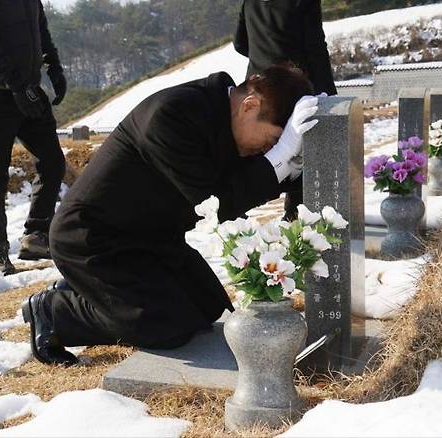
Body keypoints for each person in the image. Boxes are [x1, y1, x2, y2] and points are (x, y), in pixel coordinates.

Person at [21, 64, 318, 366]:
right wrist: (280, 158)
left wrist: (294, 164)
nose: (266, 149)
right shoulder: (172, 115)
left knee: (206, 309)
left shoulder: (222, 115)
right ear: (249, 105)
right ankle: (54, 311)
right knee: (165, 327)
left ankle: (90, 289)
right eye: (270, 141)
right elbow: (216, 204)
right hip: (93, 239)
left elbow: (244, 180)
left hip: (151, 238)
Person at [0, 0, 68, 275]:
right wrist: (16, 85)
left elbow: (41, 31)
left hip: (28, 88)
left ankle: (36, 235)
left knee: (53, 162)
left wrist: (55, 68)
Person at [234, 0, 337, 220]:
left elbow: (239, 44)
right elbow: (315, 46)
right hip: (292, 86)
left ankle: (234, 213)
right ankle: (295, 214)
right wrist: (330, 96)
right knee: (302, 152)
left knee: (251, 149)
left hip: (256, 85)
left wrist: (265, 59)